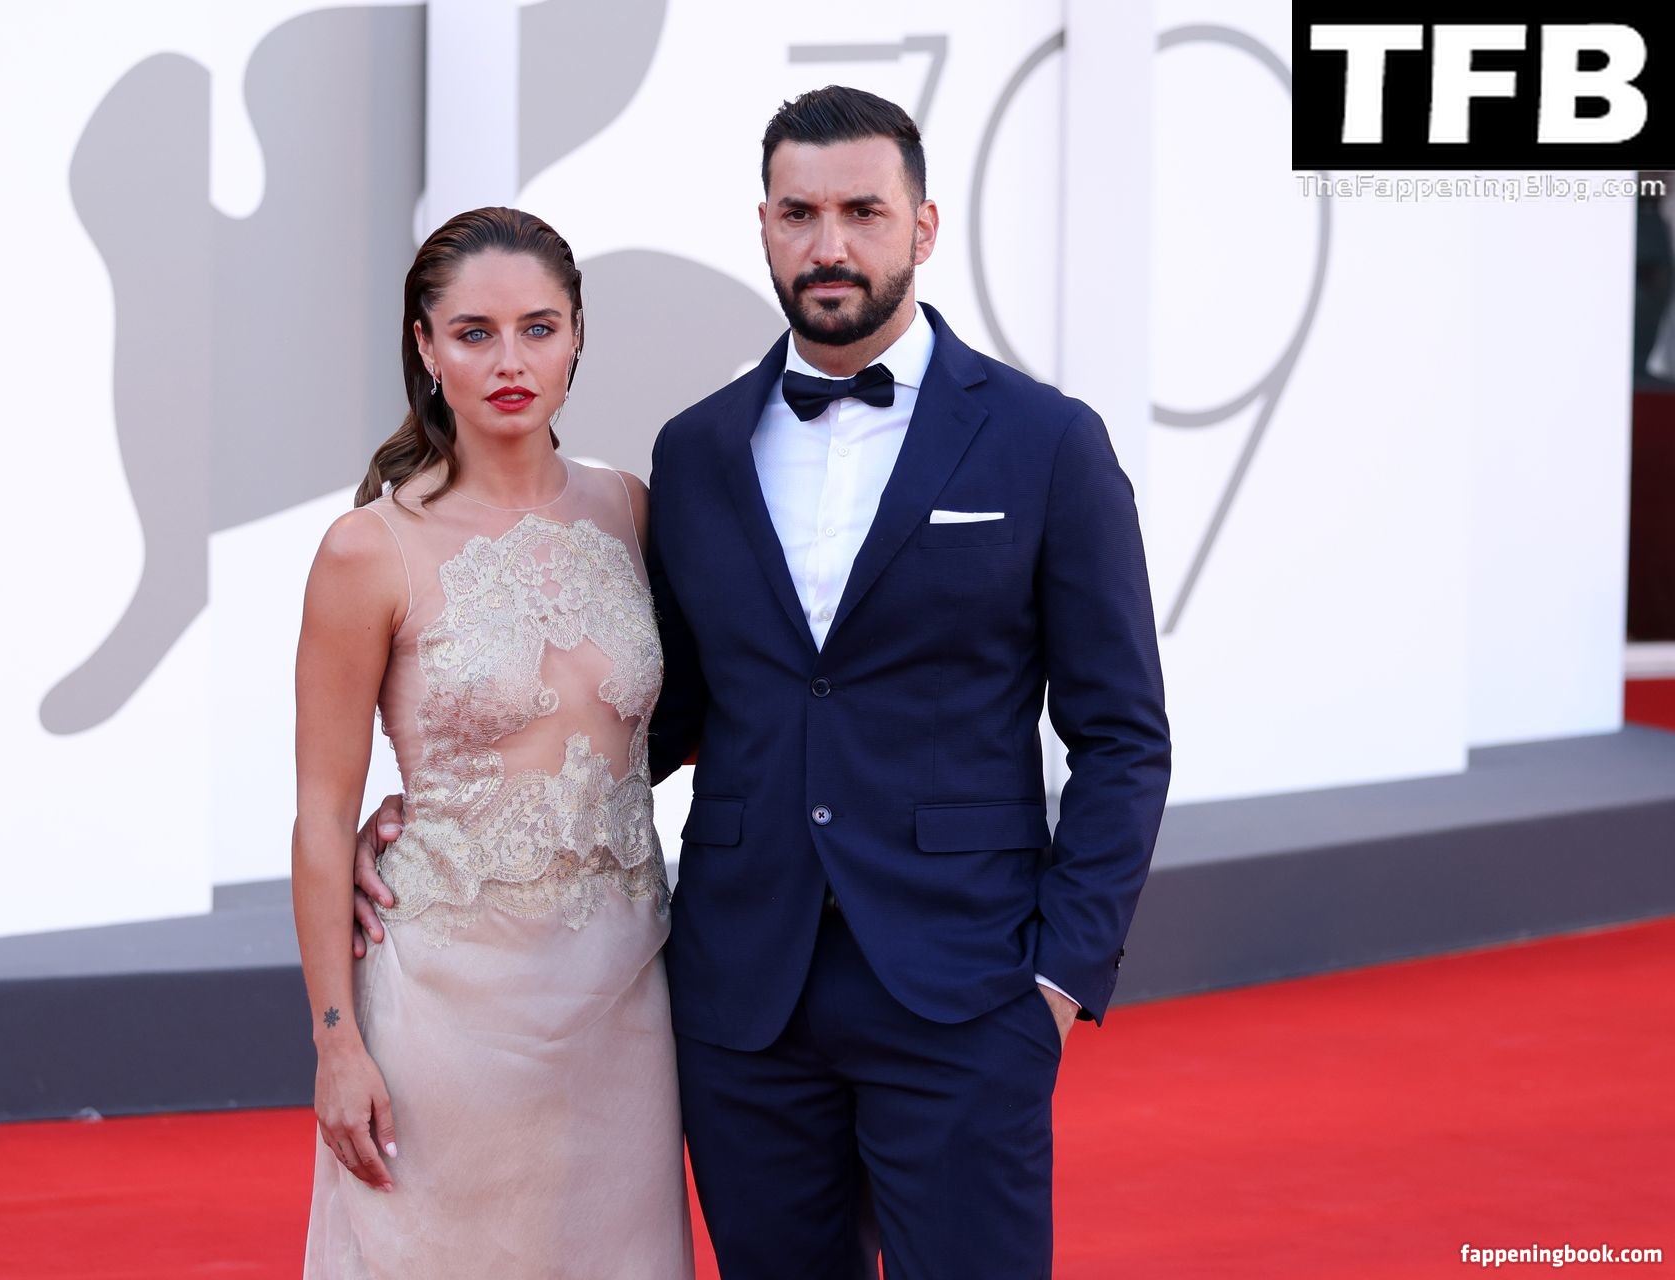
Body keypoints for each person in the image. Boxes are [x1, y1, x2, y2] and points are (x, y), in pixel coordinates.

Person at [357, 86, 1170, 1278]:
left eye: (862, 212)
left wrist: (1059, 975)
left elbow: (1124, 734)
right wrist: (454, 808)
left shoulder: (1047, 442)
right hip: (743, 995)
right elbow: (667, 705)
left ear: (923, 226)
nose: (829, 244)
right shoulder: (696, 450)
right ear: (765, 225)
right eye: (800, 213)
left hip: (965, 985)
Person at [293, 206, 691, 1278]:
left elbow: (698, 718)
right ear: (426, 347)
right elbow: (322, 814)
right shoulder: (369, 548)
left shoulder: (631, 510)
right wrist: (336, 1041)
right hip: (445, 1010)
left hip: (624, 996)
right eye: (474, 333)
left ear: (577, 337)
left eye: (537, 328)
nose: (510, 361)